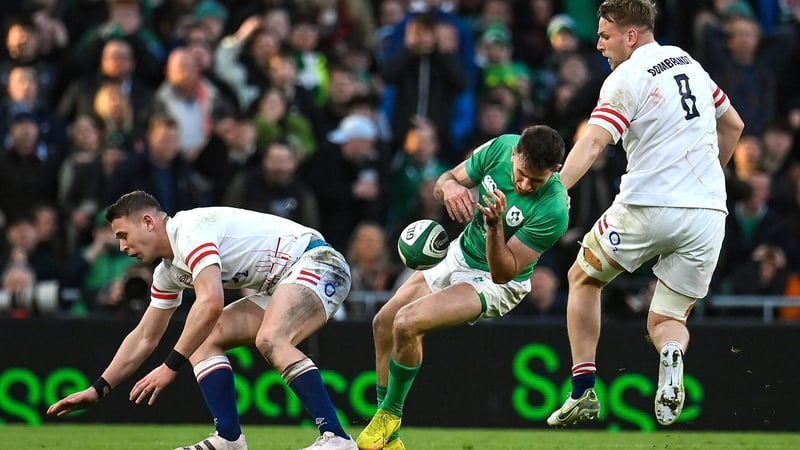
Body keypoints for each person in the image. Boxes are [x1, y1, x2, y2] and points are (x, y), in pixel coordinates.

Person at [545, 0, 745, 429]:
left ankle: (582, 392)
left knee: (582, 278)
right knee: (667, 319)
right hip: (708, 213)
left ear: (630, 36)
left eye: (604, 35)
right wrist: (708, 178)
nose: (598, 45)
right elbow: (734, 126)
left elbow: (595, 141)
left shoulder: (627, 77)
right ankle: (672, 356)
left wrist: (557, 188)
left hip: (648, 206)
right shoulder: (689, 63)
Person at [46, 191, 359, 450]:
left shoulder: (190, 229)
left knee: (270, 337)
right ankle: (229, 439)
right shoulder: (168, 272)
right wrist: (97, 389)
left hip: (319, 262)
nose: (122, 247)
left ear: (148, 221)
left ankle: (336, 438)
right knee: (205, 340)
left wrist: (169, 368)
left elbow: (210, 303)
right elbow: (145, 335)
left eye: (123, 235)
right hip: (283, 282)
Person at [355, 124, 569, 450]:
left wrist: (494, 226)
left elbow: (503, 272)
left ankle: (389, 416)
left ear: (554, 171)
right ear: (515, 154)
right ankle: (391, 440)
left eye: (536, 181)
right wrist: (452, 187)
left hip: (497, 282)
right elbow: (445, 181)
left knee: (408, 322)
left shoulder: (553, 209)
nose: (525, 185)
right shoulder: (500, 148)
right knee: (383, 322)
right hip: (459, 254)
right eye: (521, 173)